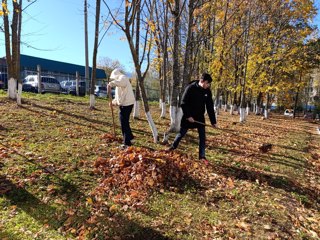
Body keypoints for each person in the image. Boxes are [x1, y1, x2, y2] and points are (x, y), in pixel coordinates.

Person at [167, 73, 217, 165]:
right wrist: (188, 116)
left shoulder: (207, 91)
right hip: (188, 116)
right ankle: (172, 147)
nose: (208, 86)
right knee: (181, 134)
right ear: (203, 81)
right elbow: (183, 103)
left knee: (202, 137)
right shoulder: (190, 88)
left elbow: (210, 106)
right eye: (207, 83)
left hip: (200, 117)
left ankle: (202, 156)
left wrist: (213, 122)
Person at [107, 68, 135, 148]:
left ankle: (127, 143)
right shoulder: (118, 85)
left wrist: (110, 84)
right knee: (124, 121)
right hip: (125, 104)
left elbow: (120, 83)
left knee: (123, 122)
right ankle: (131, 138)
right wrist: (112, 102)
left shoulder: (123, 78)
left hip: (127, 104)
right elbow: (118, 97)